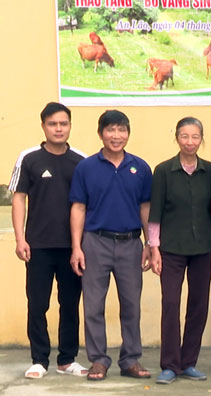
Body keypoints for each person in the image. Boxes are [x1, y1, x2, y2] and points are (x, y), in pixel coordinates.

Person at [69, 110, 153, 381]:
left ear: (128, 133)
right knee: (93, 305)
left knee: (131, 305)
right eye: (111, 130)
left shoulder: (140, 167)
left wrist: (150, 243)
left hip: (130, 244)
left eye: (122, 130)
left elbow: (145, 207)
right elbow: (78, 207)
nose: (116, 136)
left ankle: (130, 359)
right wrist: (76, 247)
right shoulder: (86, 167)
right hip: (95, 242)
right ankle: (98, 360)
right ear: (100, 133)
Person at [10, 102, 87, 379]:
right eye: (53, 124)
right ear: (43, 126)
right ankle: (39, 360)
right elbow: (18, 199)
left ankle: (67, 359)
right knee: (37, 303)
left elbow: (87, 203)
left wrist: (81, 245)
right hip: (38, 246)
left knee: (70, 303)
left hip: (72, 247)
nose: (58, 128)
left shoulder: (81, 160)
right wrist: (20, 238)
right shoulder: (28, 158)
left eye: (63, 123)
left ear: (70, 126)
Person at [147, 117, 211, 385]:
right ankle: (169, 364)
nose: (190, 141)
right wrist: (154, 248)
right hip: (171, 249)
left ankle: (189, 362)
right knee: (171, 303)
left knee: (198, 305)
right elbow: (154, 213)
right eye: (185, 136)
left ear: (202, 139)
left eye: (195, 136)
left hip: (203, 248)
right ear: (176, 138)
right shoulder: (164, 170)